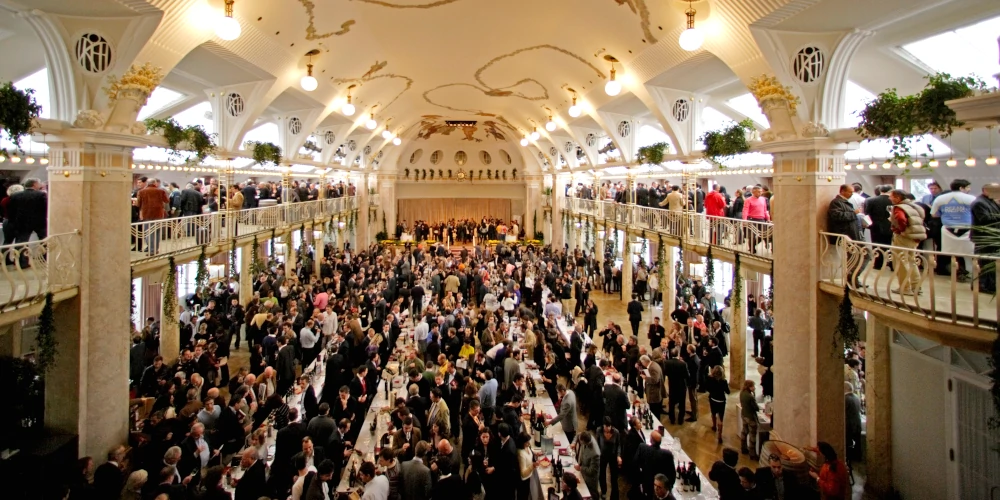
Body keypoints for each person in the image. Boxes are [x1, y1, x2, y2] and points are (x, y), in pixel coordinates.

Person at [931, 179, 976, 281]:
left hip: (947, 229)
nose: (969, 189)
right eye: (968, 187)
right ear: (961, 188)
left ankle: (957, 272)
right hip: (967, 229)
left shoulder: (940, 199)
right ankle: (972, 273)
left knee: (952, 254)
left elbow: (934, 214)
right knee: (970, 253)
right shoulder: (971, 198)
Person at [827, 184, 867, 288]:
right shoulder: (836, 203)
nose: (852, 194)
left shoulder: (845, 203)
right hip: (847, 235)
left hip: (853, 235)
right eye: (850, 192)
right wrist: (854, 213)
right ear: (842, 191)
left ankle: (853, 277)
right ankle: (852, 277)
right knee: (858, 256)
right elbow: (837, 216)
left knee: (864, 255)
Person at [888, 189, 926, 296]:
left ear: (897, 198)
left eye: (891, 196)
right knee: (911, 261)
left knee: (901, 261)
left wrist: (900, 230)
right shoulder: (915, 206)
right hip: (914, 237)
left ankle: (905, 287)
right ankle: (916, 286)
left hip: (903, 237)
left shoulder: (899, 208)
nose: (889, 198)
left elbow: (901, 219)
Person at [971, 183, 1000, 294]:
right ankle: (982, 285)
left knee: (991, 261)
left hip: (992, 237)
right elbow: (985, 219)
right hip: (983, 237)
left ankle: (990, 284)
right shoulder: (979, 203)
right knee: (983, 262)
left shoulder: (991, 201)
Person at [5, 177, 47, 246]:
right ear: (35, 184)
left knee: (21, 243)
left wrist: (14, 221)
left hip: (21, 222)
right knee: (44, 241)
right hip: (39, 222)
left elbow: (11, 210)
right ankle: (44, 256)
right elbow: (44, 208)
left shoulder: (15, 195)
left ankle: (20, 256)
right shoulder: (41, 194)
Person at [632, 431, 675, 499]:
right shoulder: (667, 454)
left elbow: (634, 464)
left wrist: (640, 481)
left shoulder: (642, 447)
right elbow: (672, 474)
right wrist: (668, 488)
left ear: (651, 440)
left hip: (646, 485)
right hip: (661, 488)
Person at [864, 185, 894, 269]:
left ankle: (878, 264)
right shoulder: (893, 201)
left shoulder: (870, 200)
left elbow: (866, 214)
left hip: (875, 226)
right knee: (891, 245)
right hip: (891, 226)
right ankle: (892, 264)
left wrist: (869, 225)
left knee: (877, 245)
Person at [705, 365, 730, 444]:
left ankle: (714, 426)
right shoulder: (724, 381)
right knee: (721, 418)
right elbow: (728, 392)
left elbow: (707, 388)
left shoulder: (710, 379)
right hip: (721, 401)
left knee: (713, 413)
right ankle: (720, 435)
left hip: (713, 399)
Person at [638, 354, 664, 420]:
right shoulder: (653, 364)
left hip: (654, 394)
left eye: (642, 363)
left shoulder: (653, 368)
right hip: (653, 392)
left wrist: (645, 378)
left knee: (655, 412)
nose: (642, 364)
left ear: (644, 362)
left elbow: (655, 380)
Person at [739, 380, 760, 460]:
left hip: (744, 414)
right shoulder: (750, 396)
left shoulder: (742, 393)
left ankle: (743, 448)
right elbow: (756, 408)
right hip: (750, 417)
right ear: (749, 387)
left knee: (744, 431)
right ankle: (752, 453)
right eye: (753, 386)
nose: (754, 388)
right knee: (752, 435)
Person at [845, 382, 863, 462]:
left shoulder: (845, 399)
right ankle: (857, 458)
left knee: (848, 445)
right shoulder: (856, 397)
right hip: (857, 424)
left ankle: (850, 459)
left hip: (848, 425)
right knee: (857, 444)